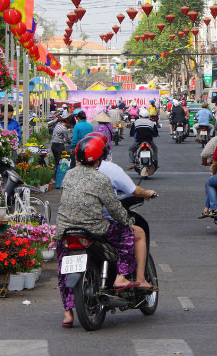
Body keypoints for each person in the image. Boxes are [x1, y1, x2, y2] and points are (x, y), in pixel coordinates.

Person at [55, 136, 151, 329]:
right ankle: (121, 276)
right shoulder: (101, 179)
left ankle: (67, 313)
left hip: (65, 230)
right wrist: (127, 221)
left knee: (63, 267)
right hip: (94, 228)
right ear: (100, 157)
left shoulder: (69, 175)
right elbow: (115, 209)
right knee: (127, 236)